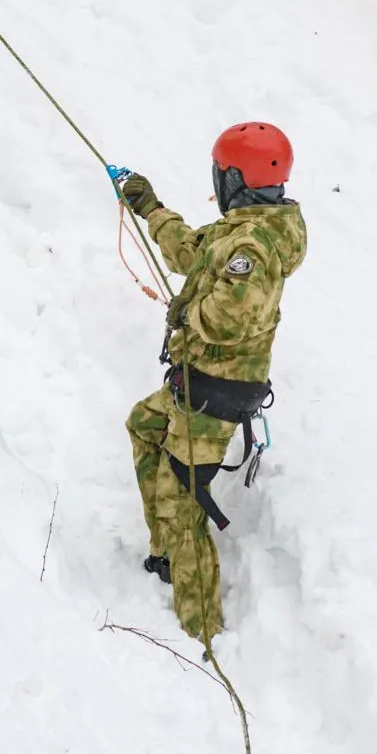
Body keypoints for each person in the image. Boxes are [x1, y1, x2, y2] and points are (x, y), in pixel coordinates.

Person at [115, 122, 306, 645]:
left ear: (236, 179)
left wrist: (186, 309)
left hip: (215, 392)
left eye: (220, 174)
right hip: (197, 382)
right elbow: (190, 252)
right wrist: (148, 206)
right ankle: (169, 553)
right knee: (144, 424)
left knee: (183, 501)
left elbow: (226, 318)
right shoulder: (241, 230)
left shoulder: (255, 245)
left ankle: (201, 632)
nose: (217, 183)